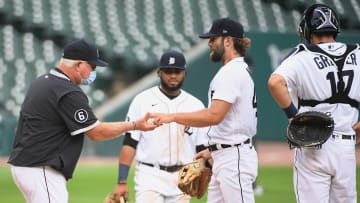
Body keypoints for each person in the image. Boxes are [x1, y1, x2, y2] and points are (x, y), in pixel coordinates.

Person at [7, 39, 157, 203]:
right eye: (92, 66)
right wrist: (135, 125)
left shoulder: (42, 81)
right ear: (79, 65)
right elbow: (96, 132)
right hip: (42, 168)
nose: (93, 71)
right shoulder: (67, 91)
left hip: (26, 165)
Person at [150, 17, 258, 203]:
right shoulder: (237, 70)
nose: (209, 43)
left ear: (228, 41)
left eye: (213, 39)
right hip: (225, 155)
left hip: (234, 158)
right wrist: (213, 150)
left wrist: (172, 116)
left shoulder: (231, 72)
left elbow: (214, 115)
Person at [268, 4, 360, 203]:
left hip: (314, 143)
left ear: (308, 30)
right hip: (346, 147)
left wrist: (294, 117)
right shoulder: (357, 52)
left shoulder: (303, 54)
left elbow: (275, 82)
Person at [110, 50, 209, 202]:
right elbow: (129, 143)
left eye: (177, 71)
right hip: (149, 175)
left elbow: (202, 148)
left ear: (185, 73)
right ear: (159, 73)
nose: (173, 76)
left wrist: (204, 169)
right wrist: (121, 182)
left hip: (182, 177)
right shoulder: (142, 100)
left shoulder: (195, 105)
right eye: (168, 71)